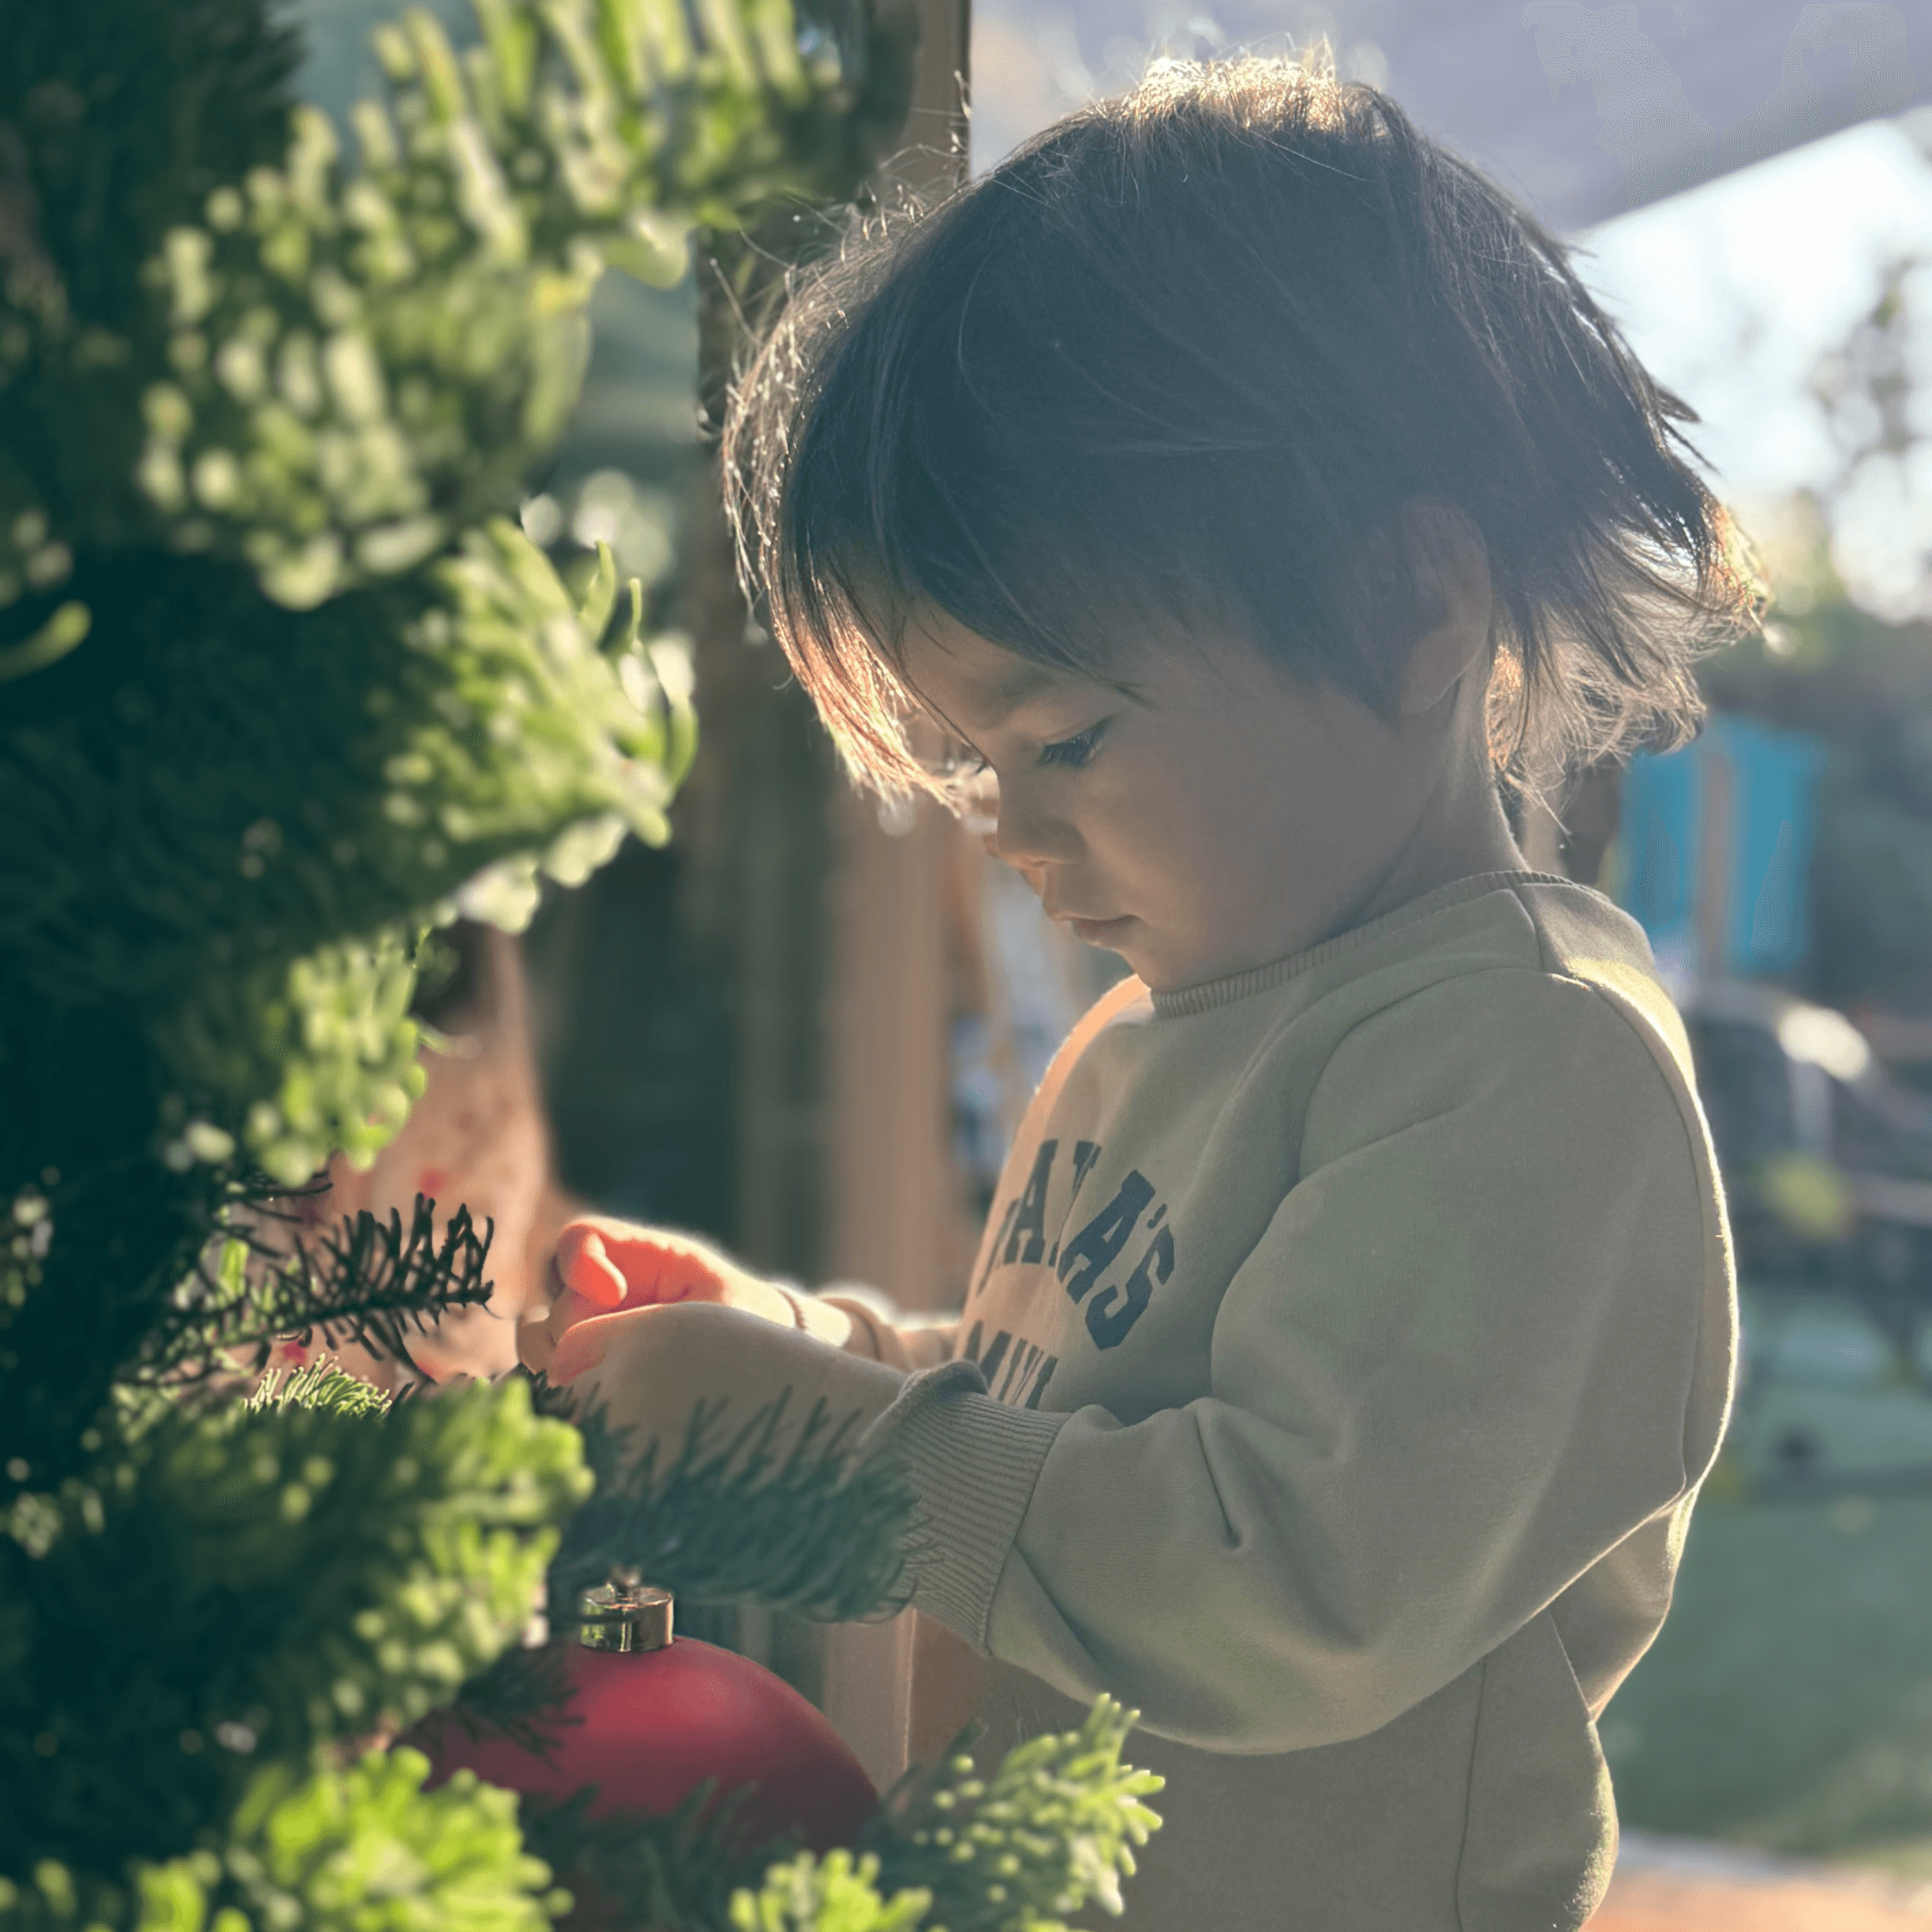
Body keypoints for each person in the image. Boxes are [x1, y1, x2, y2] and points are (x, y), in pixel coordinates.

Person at [517, 48, 1762, 1930]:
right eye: (967, 762)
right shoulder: (1174, 1024)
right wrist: (801, 1345)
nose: (1006, 827)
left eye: (1067, 736)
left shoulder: (1526, 1073)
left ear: (1410, 608)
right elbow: (1061, 1405)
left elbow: (1280, 1579)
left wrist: (813, 1437)